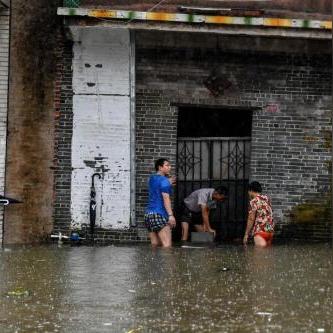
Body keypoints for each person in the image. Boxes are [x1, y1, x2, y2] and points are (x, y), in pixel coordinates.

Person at [144, 158, 176, 248]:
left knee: (155, 245)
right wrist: (170, 215)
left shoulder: (151, 179)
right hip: (160, 213)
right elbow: (166, 198)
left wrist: (167, 182)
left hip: (148, 215)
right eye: (167, 165)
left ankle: (151, 262)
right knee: (167, 247)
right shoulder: (164, 180)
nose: (170, 167)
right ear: (160, 167)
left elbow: (157, 187)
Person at [243, 181, 274, 247]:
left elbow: (251, 219)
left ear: (251, 190)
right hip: (269, 231)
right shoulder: (267, 199)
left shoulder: (253, 201)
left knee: (259, 255)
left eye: (248, 191)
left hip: (260, 231)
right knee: (267, 256)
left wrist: (246, 234)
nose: (248, 193)